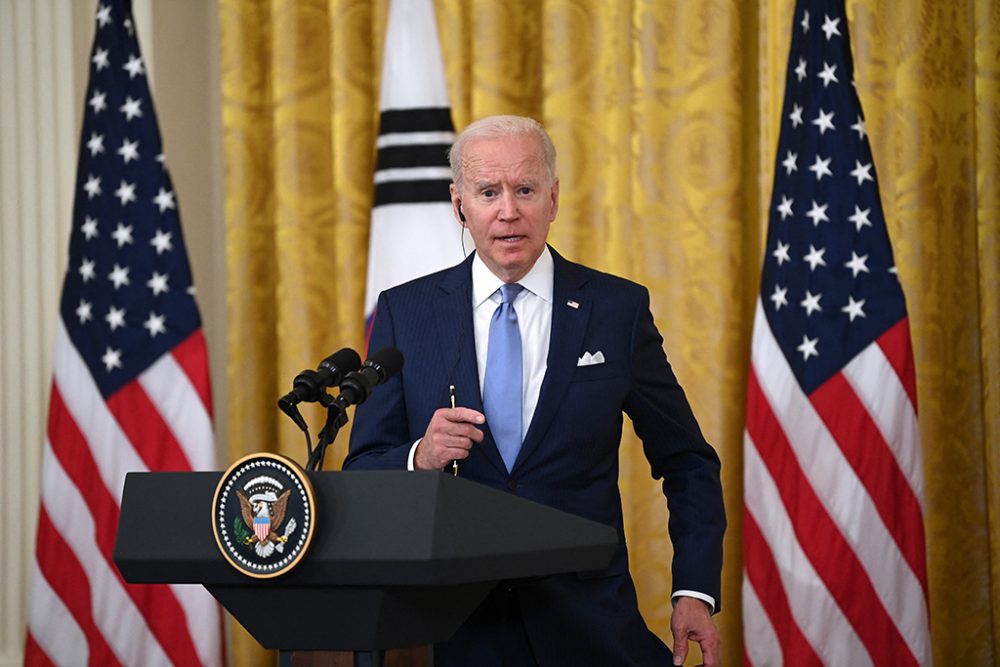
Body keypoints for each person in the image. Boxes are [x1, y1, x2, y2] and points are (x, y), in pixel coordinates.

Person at [343, 115, 726, 666]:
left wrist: (694, 590)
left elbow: (687, 459)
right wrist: (419, 457)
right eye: (488, 192)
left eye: (525, 189)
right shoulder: (407, 312)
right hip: (460, 630)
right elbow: (362, 471)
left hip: (592, 627)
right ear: (459, 205)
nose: (508, 211)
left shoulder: (615, 309)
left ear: (553, 198)